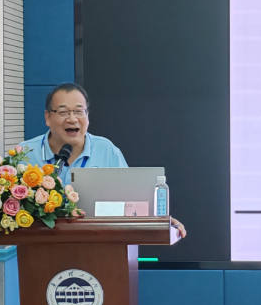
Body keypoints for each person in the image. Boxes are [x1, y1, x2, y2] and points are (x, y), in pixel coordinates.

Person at [19, 83, 186, 238]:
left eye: (79, 111)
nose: (72, 119)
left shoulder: (107, 151)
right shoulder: (24, 154)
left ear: (87, 116)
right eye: (63, 112)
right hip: (41, 249)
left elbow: (131, 203)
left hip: (99, 248)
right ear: (48, 117)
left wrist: (160, 221)